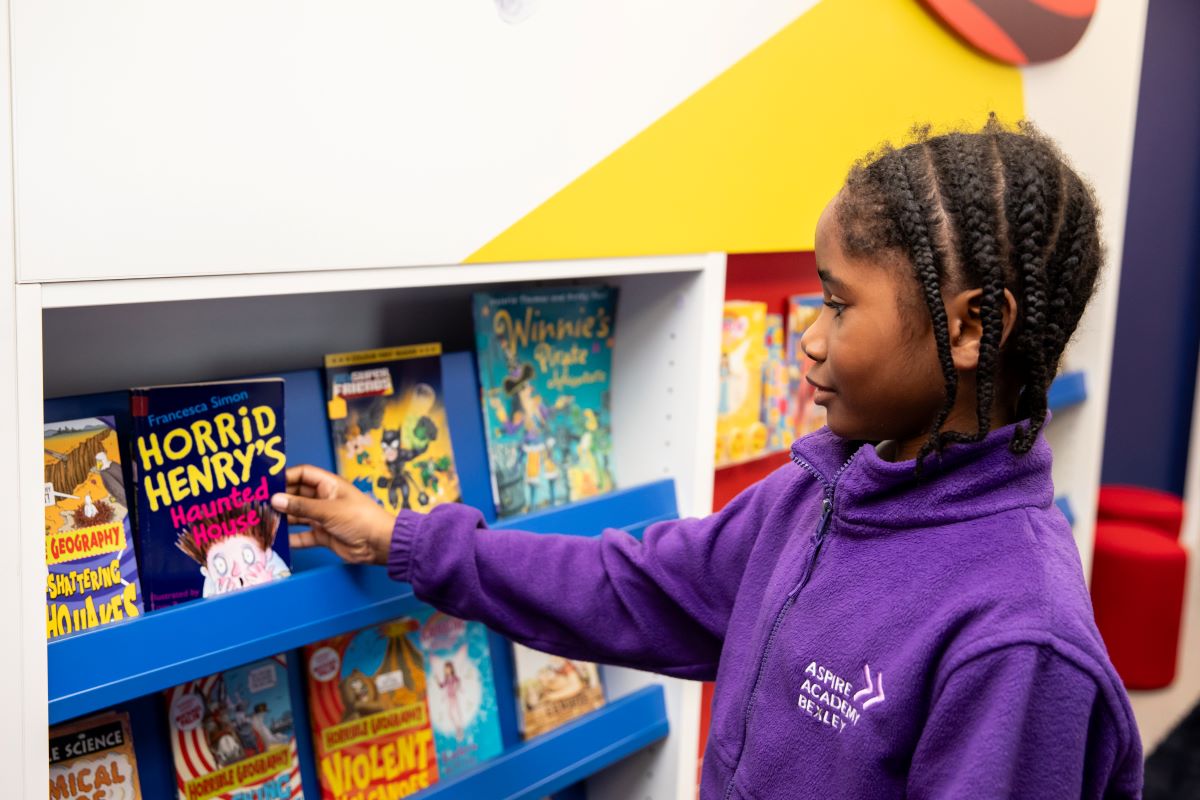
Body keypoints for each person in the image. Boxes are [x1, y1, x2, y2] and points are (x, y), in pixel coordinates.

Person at [272, 118, 1143, 798]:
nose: (807, 340)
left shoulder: (1020, 646)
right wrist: (401, 537)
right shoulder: (819, 493)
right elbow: (628, 586)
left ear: (965, 327)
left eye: (838, 306)